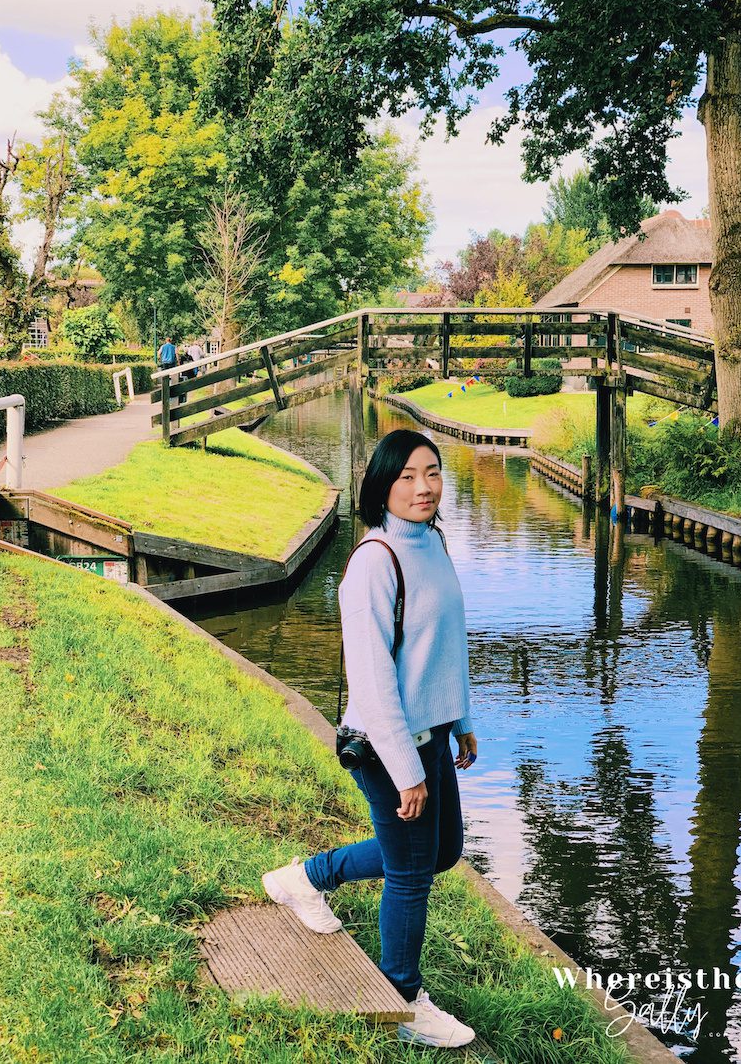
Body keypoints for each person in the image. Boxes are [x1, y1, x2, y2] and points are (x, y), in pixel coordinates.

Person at [263, 428, 478, 1049]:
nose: (423, 487)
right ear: (381, 485)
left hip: (432, 733)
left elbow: (446, 644)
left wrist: (460, 720)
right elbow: (375, 679)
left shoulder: (434, 543)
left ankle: (306, 878)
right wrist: (407, 768)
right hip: (388, 745)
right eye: (407, 475)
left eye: (432, 472)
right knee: (412, 872)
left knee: (439, 852)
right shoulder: (372, 562)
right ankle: (402, 1000)